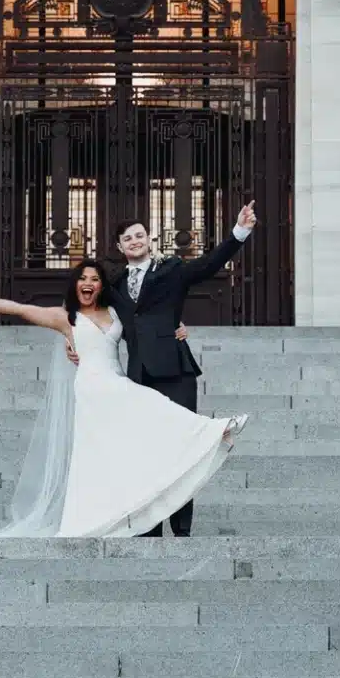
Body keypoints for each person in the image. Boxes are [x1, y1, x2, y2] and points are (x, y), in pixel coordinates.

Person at [0, 259, 248, 538]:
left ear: (101, 286)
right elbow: (19, 308)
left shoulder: (115, 312)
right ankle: (211, 431)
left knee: (131, 435)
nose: (88, 283)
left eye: (94, 279)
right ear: (75, 286)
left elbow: (148, 321)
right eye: (83, 279)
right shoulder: (65, 318)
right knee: (138, 416)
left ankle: (205, 437)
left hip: (116, 381)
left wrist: (177, 326)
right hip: (93, 389)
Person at [105, 200, 257, 537]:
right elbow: (83, 301)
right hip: (139, 377)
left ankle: (182, 527)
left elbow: (208, 265)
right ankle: (149, 527)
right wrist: (72, 338)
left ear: (149, 239)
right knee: (146, 454)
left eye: (139, 235)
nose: (134, 241)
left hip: (175, 372)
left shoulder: (171, 269)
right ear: (119, 247)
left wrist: (239, 232)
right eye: (127, 238)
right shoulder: (113, 283)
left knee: (181, 451)